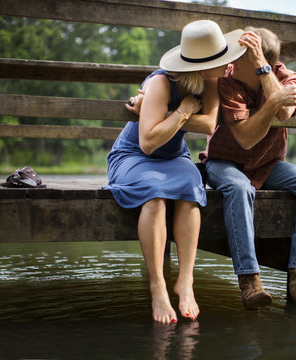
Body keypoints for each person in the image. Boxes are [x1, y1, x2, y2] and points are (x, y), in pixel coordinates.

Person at [105, 20, 247, 323]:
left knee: (190, 191)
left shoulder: (211, 82)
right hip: (135, 157)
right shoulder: (160, 82)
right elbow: (147, 142)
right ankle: (157, 287)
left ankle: (185, 282)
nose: (228, 66)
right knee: (155, 197)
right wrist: (182, 111)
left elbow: (209, 123)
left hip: (175, 156)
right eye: (222, 62)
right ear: (202, 64)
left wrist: (162, 115)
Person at [198, 27, 296, 309]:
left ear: (257, 61)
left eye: (240, 56)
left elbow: (286, 112)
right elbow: (246, 138)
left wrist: (263, 73)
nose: (231, 61)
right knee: (239, 188)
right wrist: (274, 101)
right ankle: (250, 282)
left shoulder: (282, 74)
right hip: (223, 162)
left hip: (267, 164)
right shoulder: (226, 81)